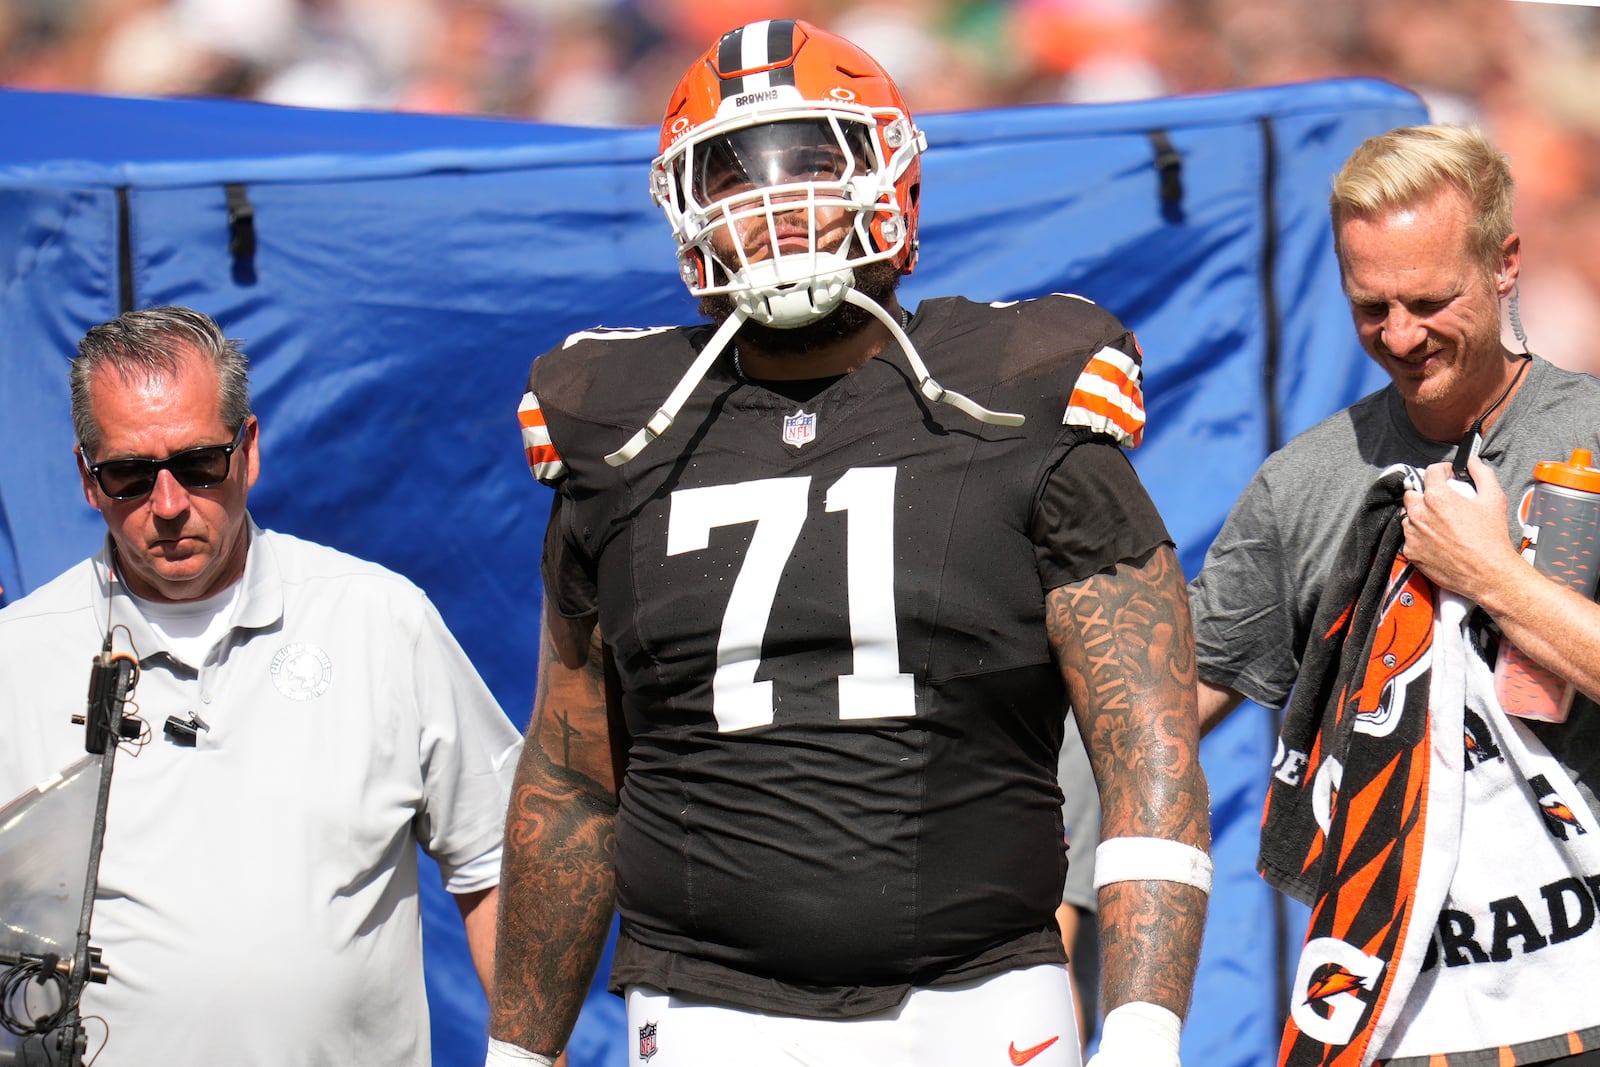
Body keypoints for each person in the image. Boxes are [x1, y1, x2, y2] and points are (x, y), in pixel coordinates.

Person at [489, 18, 1210, 1067]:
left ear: (891, 173)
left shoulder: (1020, 387)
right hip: (705, 1006)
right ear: (688, 212)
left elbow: (1147, 743)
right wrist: (519, 1051)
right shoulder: (620, 420)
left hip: (982, 995)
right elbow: (573, 779)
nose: (775, 206)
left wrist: (1143, 1028)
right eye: (732, 175)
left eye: (811, 164)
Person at [0, 306, 524, 1066]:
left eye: (199, 463)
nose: (170, 502)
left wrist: (535, 1055)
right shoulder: (18, 655)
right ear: (87, 479)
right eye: (130, 474)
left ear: (248, 450)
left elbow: (499, 864)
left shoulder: (379, 620)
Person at [1189, 123, 1600, 1064]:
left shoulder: (1589, 430)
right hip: (1394, 1020)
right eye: (1370, 307)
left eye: (1428, 300)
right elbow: (1168, 705)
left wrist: (1495, 579)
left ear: (1505, 265)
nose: (1402, 336)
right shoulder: (1304, 484)